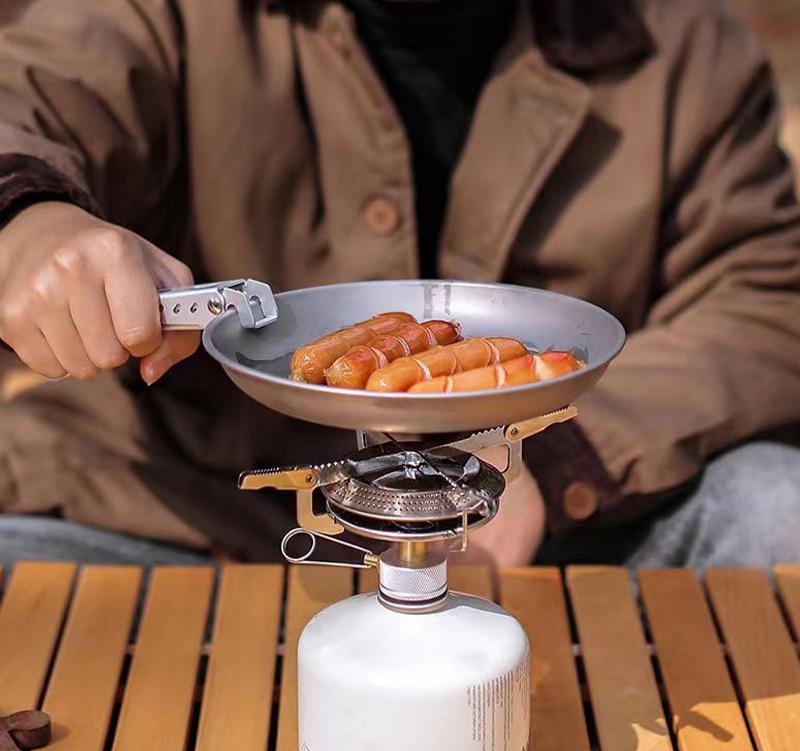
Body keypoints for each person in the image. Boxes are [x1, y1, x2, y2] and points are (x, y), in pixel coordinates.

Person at [0, 0, 798, 569]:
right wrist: (27, 215)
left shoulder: (681, 43)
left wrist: (559, 463)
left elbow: (764, 303)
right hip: (186, 511)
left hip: (560, 529)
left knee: (777, 509)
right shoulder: (161, 12)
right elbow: (28, 94)